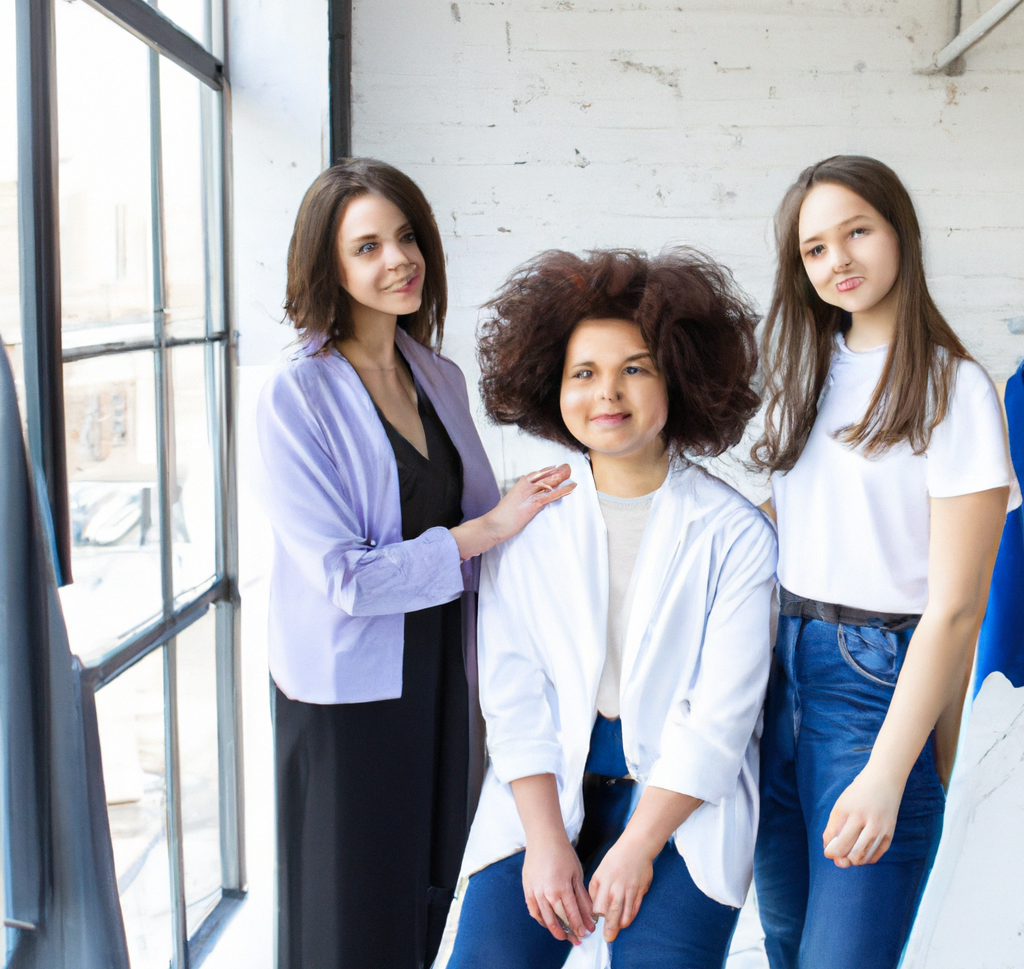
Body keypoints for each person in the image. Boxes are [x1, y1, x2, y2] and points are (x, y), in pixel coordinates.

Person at [256, 158, 576, 969]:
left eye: (406, 237)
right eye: (367, 247)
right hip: (349, 697)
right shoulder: (296, 395)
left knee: (428, 898)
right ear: (327, 265)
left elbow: (472, 517)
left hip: (443, 672)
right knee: (349, 918)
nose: (398, 260)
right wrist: (488, 529)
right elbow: (347, 578)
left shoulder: (438, 375)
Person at [445, 248, 778, 969]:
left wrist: (637, 847)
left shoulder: (735, 534)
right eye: (584, 373)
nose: (608, 393)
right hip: (546, 796)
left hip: (680, 811)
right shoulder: (526, 520)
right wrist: (544, 843)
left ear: (677, 378)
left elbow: (720, 720)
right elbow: (512, 694)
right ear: (554, 385)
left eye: (635, 369)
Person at [751, 155, 1021, 969]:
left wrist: (887, 770)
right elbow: (785, 524)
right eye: (815, 248)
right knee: (787, 946)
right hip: (778, 675)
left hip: (873, 687)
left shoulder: (952, 388)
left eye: (857, 232)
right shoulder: (801, 376)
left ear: (899, 231)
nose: (838, 260)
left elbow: (958, 608)